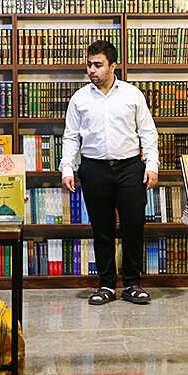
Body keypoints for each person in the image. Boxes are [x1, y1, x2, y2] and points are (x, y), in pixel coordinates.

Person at [60, 40, 159, 305]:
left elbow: (148, 133)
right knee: (101, 228)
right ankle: (105, 285)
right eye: (89, 65)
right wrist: (67, 168)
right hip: (94, 168)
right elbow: (71, 136)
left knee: (133, 225)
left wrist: (152, 165)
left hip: (130, 167)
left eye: (98, 65)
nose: (91, 70)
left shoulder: (132, 95)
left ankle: (132, 284)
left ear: (113, 66)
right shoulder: (80, 98)